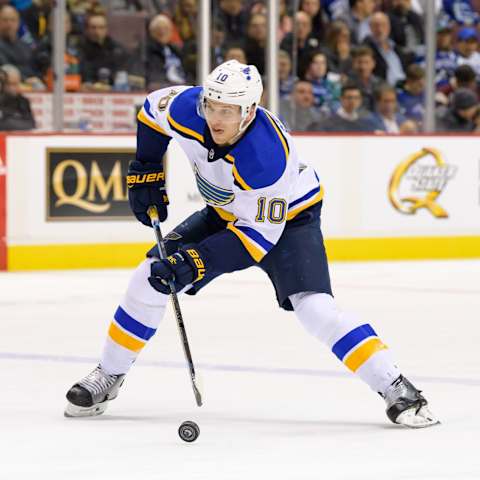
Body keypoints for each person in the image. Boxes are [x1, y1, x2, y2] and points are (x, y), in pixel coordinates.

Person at [64, 60, 439, 429]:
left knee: (315, 310)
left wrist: (195, 263)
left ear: (249, 111)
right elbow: (151, 109)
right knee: (150, 276)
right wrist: (146, 169)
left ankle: (395, 385)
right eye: (212, 106)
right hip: (228, 210)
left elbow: (256, 240)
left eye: (228, 110)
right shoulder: (188, 108)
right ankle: (108, 375)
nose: (216, 118)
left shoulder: (267, 158)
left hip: (290, 220)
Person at [309, 83, 377, 131]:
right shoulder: (327, 123)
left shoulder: (365, 122)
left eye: (356, 98)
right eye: (349, 97)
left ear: (360, 100)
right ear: (341, 99)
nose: (352, 101)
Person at [0, 64, 35, 129]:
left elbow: (31, 125)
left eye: (17, 83)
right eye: (11, 84)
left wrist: (8, 120)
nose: (15, 87)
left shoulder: (23, 101)